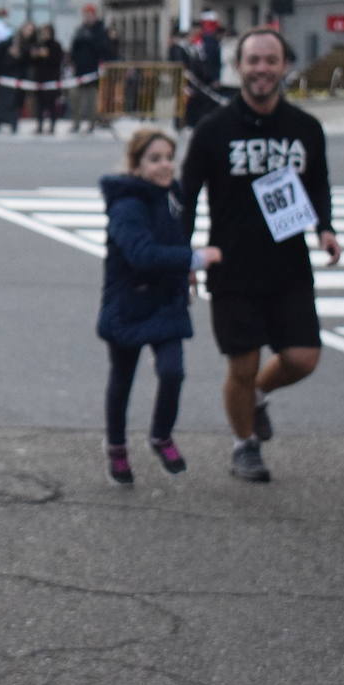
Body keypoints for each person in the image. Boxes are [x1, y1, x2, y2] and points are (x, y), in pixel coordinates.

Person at [179, 27, 341, 483]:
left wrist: (326, 229)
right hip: (231, 265)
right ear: (239, 68)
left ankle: (259, 397)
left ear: (285, 65)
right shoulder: (213, 131)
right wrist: (182, 256)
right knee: (242, 363)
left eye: (271, 60)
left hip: (288, 264)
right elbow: (187, 196)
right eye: (253, 61)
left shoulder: (306, 129)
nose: (262, 69)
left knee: (302, 357)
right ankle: (244, 445)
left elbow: (319, 183)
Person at [99, 128, 221, 483]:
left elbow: (175, 236)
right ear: (136, 165)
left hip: (166, 299)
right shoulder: (127, 204)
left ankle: (160, 434)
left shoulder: (173, 196)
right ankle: (117, 448)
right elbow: (141, 254)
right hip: (129, 301)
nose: (165, 165)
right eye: (155, 159)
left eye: (169, 157)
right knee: (122, 379)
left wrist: (186, 268)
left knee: (173, 371)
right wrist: (194, 259)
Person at [69, 4, 114, 134]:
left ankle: (91, 123)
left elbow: (105, 50)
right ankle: (76, 123)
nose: (87, 17)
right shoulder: (80, 30)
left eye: (89, 15)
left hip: (93, 72)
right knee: (75, 97)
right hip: (79, 71)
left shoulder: (100, 31)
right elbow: (74, 48)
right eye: (85, 15)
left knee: (91, 100)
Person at [31, 23, 64, 135]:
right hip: (40, 79)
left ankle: (52, 126)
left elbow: (58, 61)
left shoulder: (56, 45)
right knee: (39, 104)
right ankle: (39, 125)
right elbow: (34, 62)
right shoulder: (39, 45)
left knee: (51, 105)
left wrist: (48, 55)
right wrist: (36, 55)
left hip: (52, 79)